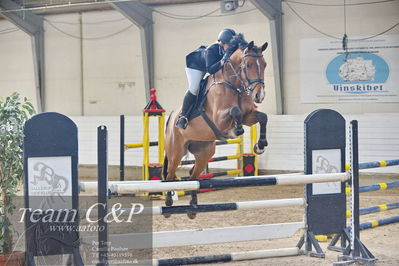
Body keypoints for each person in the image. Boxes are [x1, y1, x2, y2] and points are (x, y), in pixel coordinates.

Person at [175, 28, 237, 129]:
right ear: (222, 43)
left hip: (211, 65)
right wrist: (222, 61)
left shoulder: (230, 47)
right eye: (229, 45)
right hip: (196, 66)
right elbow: (211, 69)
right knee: (194, 88)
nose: (231, 47)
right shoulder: (211, 50)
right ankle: (183, 116)